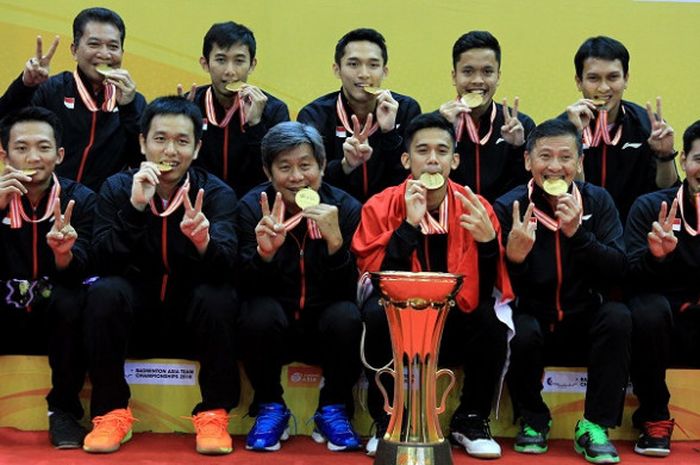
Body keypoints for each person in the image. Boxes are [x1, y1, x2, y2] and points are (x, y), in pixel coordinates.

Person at [82, 97, 239, 455]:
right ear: (142, 143)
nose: (170, 150)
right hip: (136, 321)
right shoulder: (118, 188)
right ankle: (110, 412)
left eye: (182, 141)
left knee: (219, 296)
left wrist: (203, 243)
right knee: (104, 291)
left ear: (197, 148)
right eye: (160, 139)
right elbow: (101, 260)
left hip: (191, 321)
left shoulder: (215, 193)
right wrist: (135, 208)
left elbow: (229, 267)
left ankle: (214, 413)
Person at [352, 112, 514, 458]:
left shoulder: (476, 206)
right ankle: (388, 420)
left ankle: (469, 420)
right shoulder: (381, 205)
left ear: (454, 160)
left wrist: (487, 245)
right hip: (400, 315)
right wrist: (408, 226)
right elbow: (378, 282)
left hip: (456, 317)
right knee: (376, 315)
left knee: (491, 322)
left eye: (442, 151)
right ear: (406, 160)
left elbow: (487, 290)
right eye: (422, 151)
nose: (433, 160)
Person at [494, 119, 630, 464]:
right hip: (533, 317)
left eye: (566, 157)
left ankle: (594, 425)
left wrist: (579, 235)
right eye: (545, 157)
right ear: (528, 162)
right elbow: (494, 284)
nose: (555, 167)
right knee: (516, 329)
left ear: (579, 163)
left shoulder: (598, 203)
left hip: (583, 318)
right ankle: (534, 418)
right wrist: (515, 258)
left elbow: (619, 267)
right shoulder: (509, 206)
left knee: (618, 317)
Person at [235, 121, 363, 452]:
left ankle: (333, 408)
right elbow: (241, 285)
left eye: (306, 165)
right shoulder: (252, 208)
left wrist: (336, 243)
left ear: (321, 166)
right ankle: (270, 407)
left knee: (348, 316)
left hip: (324, 327)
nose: (296, 177)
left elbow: (354, 290)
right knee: (256, 313)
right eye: (284, 167)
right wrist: (265, 254)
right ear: (267, 170)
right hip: (274, 327)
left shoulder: (345, 209)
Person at [0, 107, 96, 448]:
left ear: (59, 155)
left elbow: (89, 271)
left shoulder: (80, 200)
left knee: (73, 300)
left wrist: (64, 254)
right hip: (7, 315)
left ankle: (64, 413)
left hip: (58, 320)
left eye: (43, 147)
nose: (32, 157)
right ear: (4, 153)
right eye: (21, 147)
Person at [0, 7, 147, 193]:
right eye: (94, 44)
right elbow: (5, 126)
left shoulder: (133, 101)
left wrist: (129, 109)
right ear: (75, 50)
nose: (104, 54)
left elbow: (142, 162)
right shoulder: (51, 90)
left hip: (100, 212)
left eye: (113, 46)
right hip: (44, 204)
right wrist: (25, 86)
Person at [623, 121, 700, 458]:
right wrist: (658, 258)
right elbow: (629, 276)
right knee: (646, 310)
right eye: (699, 159)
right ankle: (654, 417)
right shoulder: (650, 206)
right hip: (664, 320)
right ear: (683, 161)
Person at [298, 28, 421, 203]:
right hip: (336, 213)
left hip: (391, 213)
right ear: (337, 69)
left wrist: (390, 134)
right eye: (353, 64)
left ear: (384, 71)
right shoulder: (314, 115)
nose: (364, 74)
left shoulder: (406, 109)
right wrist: (345, 165)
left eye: (373, 65)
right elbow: (307, 181)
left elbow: (411, 176)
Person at [563, 36, 677, 222]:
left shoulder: (648, 125)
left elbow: (667, 192)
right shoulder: (562, 128)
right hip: (580, 232)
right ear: (578, 81)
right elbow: (564, 190)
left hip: (635, 233)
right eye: (593, 78)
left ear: (626, 79)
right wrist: (574, 136)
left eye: (613, 77)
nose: (603, 87)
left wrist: (665, 155)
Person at [186, 21, 290, 197]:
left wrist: (256, 125)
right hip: (199, 204)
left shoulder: (274, 109)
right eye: (220, 60)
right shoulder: (190, 104)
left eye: (239, 61)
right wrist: (183, 121)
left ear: (252, 65)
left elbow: (278, 172)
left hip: (255, 206)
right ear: (205, 63)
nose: (230, 71)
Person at [438, 30, 535, 202]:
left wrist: (518, 148)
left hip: (503, 222)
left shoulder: (522, 125)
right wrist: (444, 132)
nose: (478, 80)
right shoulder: (434, 125)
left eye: (487, 72)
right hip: (450, 221)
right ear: (454, 76)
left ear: (498, 76)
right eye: (468, 72)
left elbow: (529, 188)